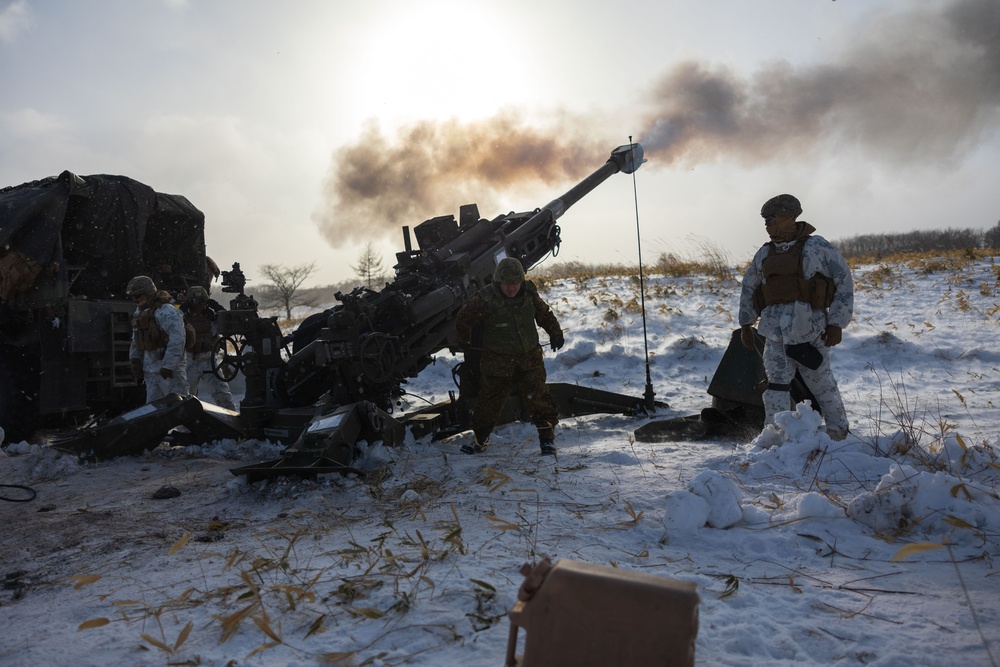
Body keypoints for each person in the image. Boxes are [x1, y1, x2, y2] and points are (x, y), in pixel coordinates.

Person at [738, 194, 854, 440]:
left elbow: (844, 281)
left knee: (822, 385)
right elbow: (750, 287)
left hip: (810, 331)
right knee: (775, 387)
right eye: (765, 220)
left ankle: (839, 435)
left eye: (773, 218)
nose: (768, 224)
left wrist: (837, 323)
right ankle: (774, 437)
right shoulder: (765, 253)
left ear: (791, 217)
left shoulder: (817, 247)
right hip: (774, 332)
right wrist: (746, 323)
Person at [455, 257, 565, 456]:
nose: (512, 289)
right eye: (507, 285)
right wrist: (464, 341)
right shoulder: (486, 299)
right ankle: (479, 441)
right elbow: (463, 318)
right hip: (498, 364)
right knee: (488, 404)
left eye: (515, 284)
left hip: (529, 360)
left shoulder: (529, 294)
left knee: (540, 399)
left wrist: (555, 333)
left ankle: (547, 439)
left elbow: (544, 315)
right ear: (499, 283)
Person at [127, 275, 189, 403]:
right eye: (132, 297)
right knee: (154, 412)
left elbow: (177, 339)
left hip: (170, 374)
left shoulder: (167, 312)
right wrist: (135, 360)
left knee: (179, 409)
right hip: (151, 372)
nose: (134, 300)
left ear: (148, 293)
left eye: (138, 296)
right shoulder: (140, 313)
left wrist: (168, 366)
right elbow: (136, 340)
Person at [181, 285, 236, 411]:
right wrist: (182, 310)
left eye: (203, 301)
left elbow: (229, 324)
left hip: (209, 360)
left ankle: (232, 422)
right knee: (185, 398)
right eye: (197, 302)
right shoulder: (182, 318)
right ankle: (185, 429)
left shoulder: (211, 317)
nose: (200, 305)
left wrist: (218, 309)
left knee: (222, 394)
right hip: (189, 360)